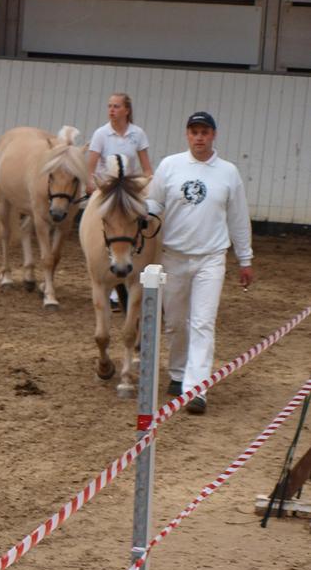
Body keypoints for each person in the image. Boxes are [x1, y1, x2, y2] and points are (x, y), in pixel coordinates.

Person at [145, 111, 254, 415]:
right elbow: (154, 203)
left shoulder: (228, 172)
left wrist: (245, 258)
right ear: (187, 135)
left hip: (211, 259)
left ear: (213, 135)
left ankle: (197, 389)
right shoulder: (170, 166)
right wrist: (139, 216)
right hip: (174, 256)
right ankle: (179, 374)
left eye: (205, 132)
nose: (199, 137)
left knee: (203, 323)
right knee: (175, 323)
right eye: (194, 132)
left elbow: (238, 218)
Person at [86, 93, 152, 311]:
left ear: (126, 110)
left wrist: (148, 185)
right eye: (109, 106)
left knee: (147, 219)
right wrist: (94, 186)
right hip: (107, 189)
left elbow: (146, 167)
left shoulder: (138, 134)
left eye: (116, 106)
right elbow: (91, 167)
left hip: (130, 190)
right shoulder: (101, 134)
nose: (111, 110)